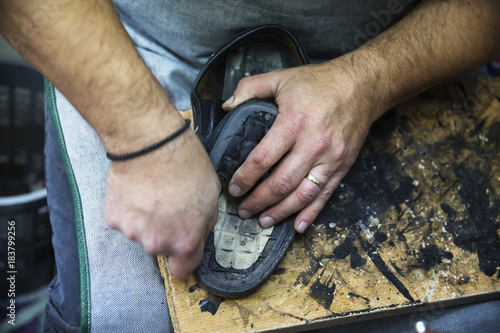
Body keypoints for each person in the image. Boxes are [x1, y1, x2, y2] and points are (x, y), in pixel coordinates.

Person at [1, 0, 499, 332]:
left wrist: (367, 81)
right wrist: (144, 143)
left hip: (401, 52)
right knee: (118, 318)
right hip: (125, 56)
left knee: (467, 313)